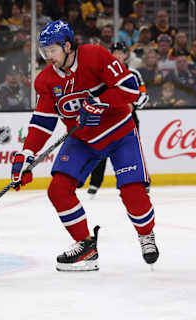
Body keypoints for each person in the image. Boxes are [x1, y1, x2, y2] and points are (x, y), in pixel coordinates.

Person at [11, 20, 158, 272]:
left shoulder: (95, 55)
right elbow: (43, 121)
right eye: (45, 51)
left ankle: (146, 234)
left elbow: (129, 89)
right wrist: (27, 154)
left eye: (52, 50)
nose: (48, 56)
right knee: (58, 190)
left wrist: (98, 103)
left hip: (120, 133)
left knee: (133, 194)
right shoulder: (46, 80)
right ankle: (86, 246)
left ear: (67, 46)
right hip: (82, 140)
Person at [87, 42, 149, 198]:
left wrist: (134, 105)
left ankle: (140, 182)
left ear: (125, 55)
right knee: (101, 147)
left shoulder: (133, 73)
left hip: (129, 118)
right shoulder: (103, 73)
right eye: (115, 53)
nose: (118, 56)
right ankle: (95, 183)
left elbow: (143, 95)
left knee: (133, 149)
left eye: (121, 53)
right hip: (107, 117)